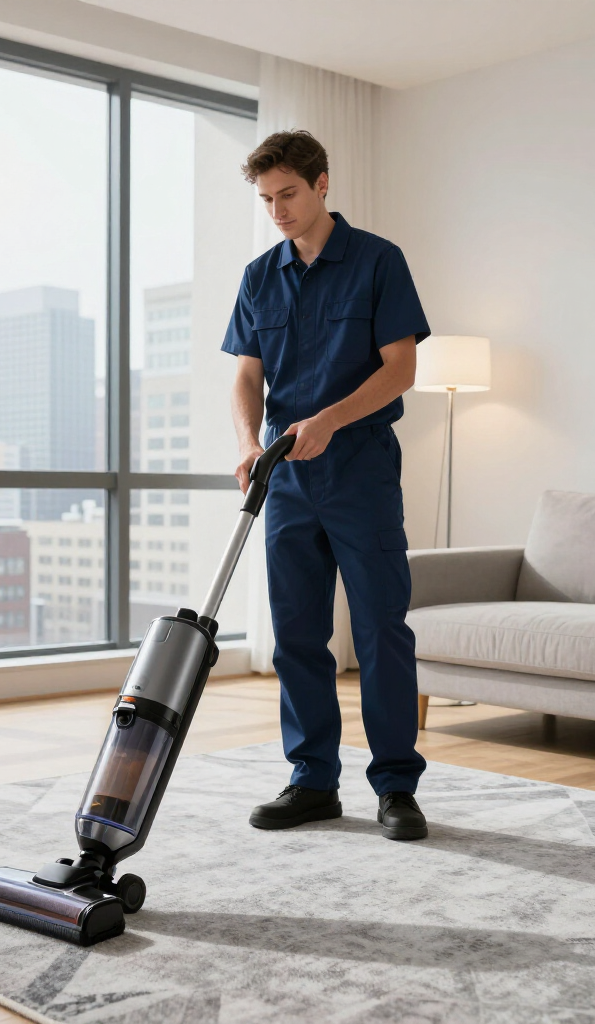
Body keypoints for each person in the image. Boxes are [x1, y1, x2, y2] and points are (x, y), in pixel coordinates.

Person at [221, 130, 430, 841]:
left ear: (322, 185)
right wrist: (251, 441)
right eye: (266, 199)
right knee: (298, 636)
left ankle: (396, 785)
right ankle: (312, 780)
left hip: (360, 467)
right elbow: (247, 375)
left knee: (379, 632)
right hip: (286, 475)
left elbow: (400, 369)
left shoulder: (377, 261)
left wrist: (331, 421)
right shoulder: (259, 276)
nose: (277, 210)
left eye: (288, 194)